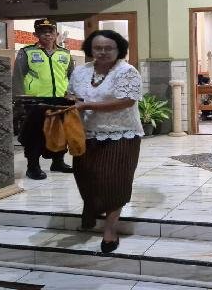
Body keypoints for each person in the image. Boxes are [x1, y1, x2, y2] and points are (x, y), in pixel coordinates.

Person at [68, 29, 143, 253]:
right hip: (86, 134)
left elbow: (126, 101)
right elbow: (71, 95)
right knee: (85, 177)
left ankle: (110, 229)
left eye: (108, 48)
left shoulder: (127, 71)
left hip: (121, 135)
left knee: (114, 182)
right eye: (98, 48)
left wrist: (87, 105)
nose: (102, 52)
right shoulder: (81, 71)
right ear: (90, 49)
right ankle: (91, 213)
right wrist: (71, 102)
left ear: (119, 50)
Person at [13, 18, 74, 180]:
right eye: (42, 31)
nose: (47, 34)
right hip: (36, 101)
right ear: (36, 34)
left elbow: (72, 77)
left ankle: (58, 162)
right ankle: (33, 167)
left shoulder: (65, 53)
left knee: (61, 133)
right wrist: (19, 99)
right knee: (35, 134)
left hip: (61, 100)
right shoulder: (27, 52)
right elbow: (17, 76)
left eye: (50, 31)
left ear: (56, 34)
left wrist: (73, 94)